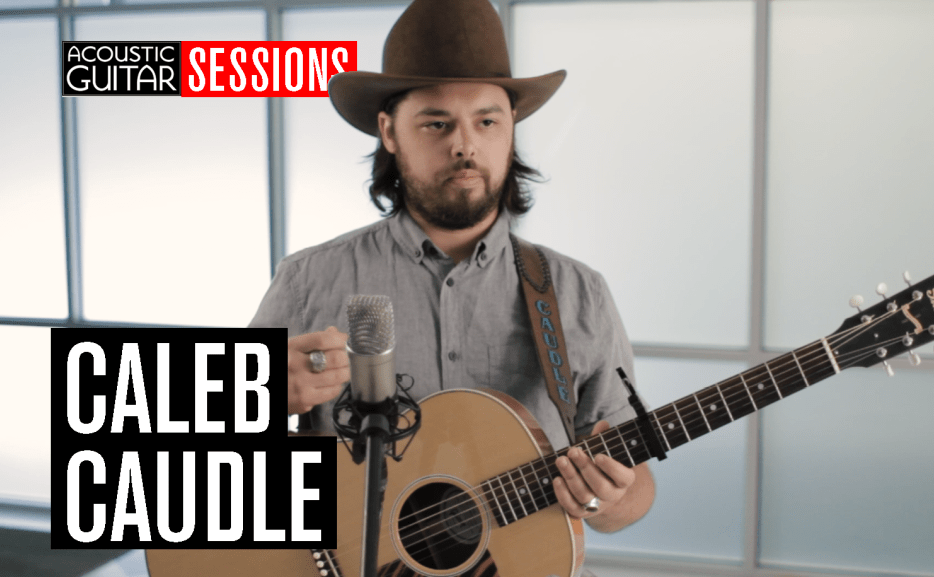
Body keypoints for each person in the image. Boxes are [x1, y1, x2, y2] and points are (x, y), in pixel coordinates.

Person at [248, 0, 656, 569]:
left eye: (487, 121)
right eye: (437, 123)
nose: (465, 145)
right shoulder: (309, 279)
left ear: (511, 130)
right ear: (390, 131)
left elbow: (632, 490)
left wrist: (609, 497)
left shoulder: (578, 292)